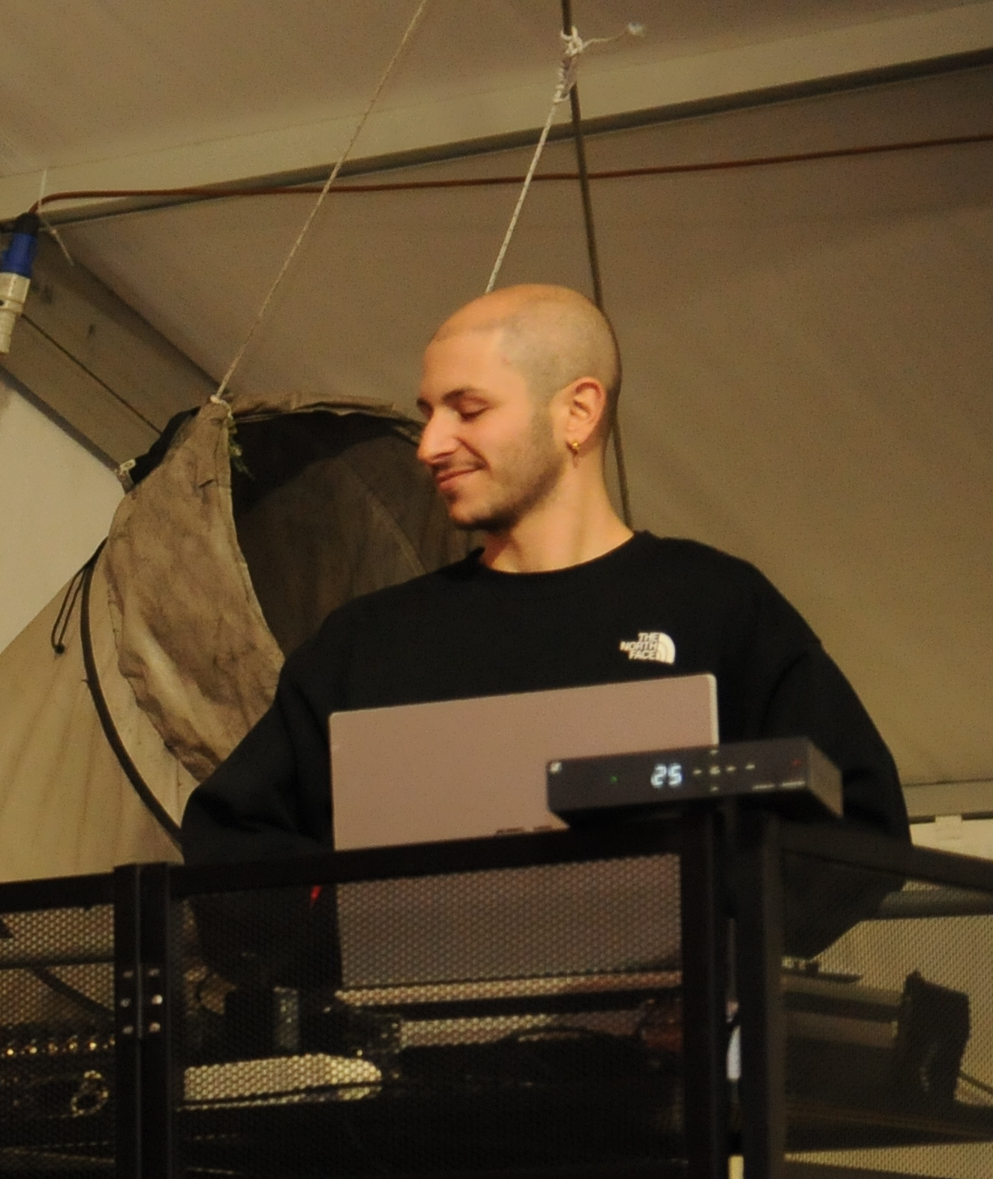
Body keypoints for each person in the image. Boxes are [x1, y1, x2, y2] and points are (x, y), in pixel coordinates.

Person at [184, 283, 905, 858]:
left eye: (468, 410)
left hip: (671, 1002)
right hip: (415, 1004)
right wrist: (354, 931)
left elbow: (857, 820)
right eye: (429, 413)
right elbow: (232, 836)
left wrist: (713, 930)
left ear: (578, 413)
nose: (429, 444)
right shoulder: (367, 643)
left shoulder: (715, 607)